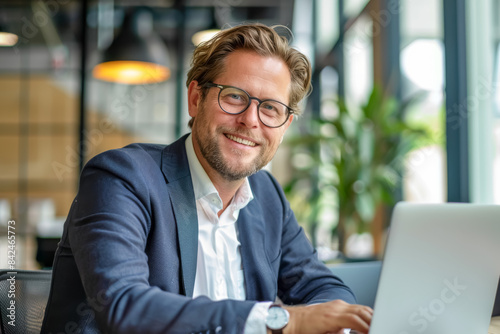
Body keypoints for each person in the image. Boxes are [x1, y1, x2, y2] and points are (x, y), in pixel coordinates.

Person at [42, 23, 373, 334]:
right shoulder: (122, 178)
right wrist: (280, 320)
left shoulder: (266, 194)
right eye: (234, 97)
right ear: (196, 99)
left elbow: (321, 287)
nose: (250, 121)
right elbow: (124, 305)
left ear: (284, 127)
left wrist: (329, 317)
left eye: (270, 108)